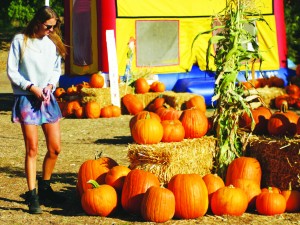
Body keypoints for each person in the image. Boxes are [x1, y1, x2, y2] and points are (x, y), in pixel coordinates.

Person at [7, 6, 67, 214]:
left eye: (54, 26)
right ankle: (32, 196)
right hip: (27, 99)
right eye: (48, 26)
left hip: (47, 98)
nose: (51, 30)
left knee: (55, 148)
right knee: (32, 149)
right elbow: (12, 72)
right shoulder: (20, 41)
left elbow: (55, 70)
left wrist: (50, 85)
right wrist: (31, 87)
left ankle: (45, 187)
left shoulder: (51, 44)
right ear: (37, 22)